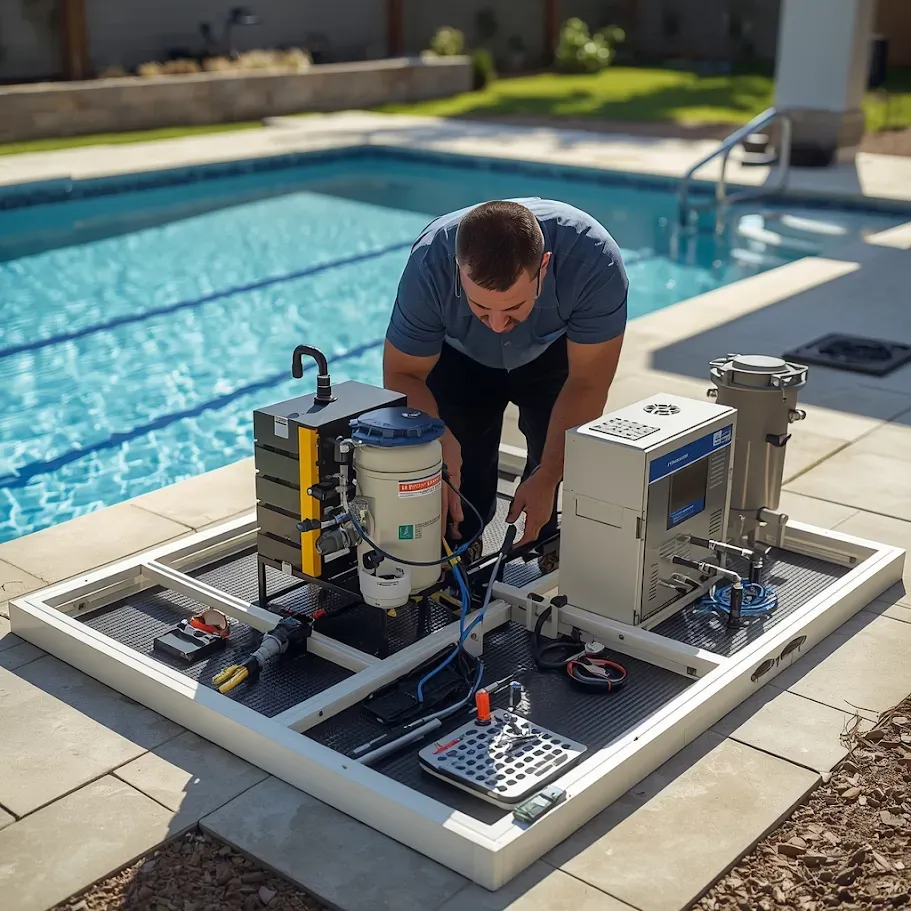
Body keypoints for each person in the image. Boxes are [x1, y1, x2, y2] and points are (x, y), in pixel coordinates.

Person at [382, 197, 628, 561]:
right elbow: (403, 373)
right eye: (481, 307)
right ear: (458, 269)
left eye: (513, 307)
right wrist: (433, 435)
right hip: (459, 357)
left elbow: (589, 383)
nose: (497, 325)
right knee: (461, 464)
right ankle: (462, 544)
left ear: (544, 267)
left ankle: (543, 538)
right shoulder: (429, 265)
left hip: (551, 351)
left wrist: (548, 475)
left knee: (558, 453)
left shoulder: (593, 261)